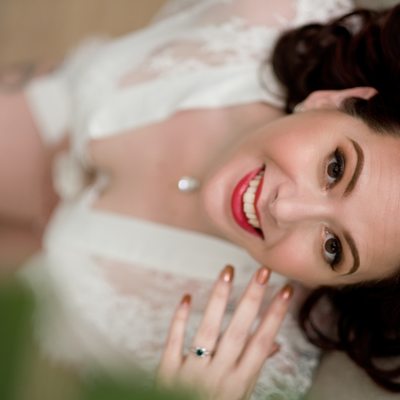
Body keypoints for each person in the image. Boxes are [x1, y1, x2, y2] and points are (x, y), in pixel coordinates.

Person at [2, 0, 400, 398]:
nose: (283, 210)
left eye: (333, 248)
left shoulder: (252, 365)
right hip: (48, 114)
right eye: (335, 168)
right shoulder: (270, 18)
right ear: (334, 99)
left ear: (343, 287)